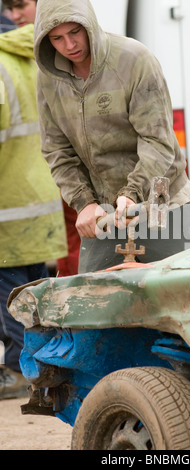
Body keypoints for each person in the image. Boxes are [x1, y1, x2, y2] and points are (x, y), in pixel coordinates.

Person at [33, 0, 190, 273]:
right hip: (103, 212)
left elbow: (157, 141)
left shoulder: (135, 59)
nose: (69, 45)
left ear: (88, 22)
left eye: (75, 32)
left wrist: (133, 193)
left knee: (184, 293)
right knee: (93, 304)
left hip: (163, 201)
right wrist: (84, 203)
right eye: (57, 38)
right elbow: (57, 151)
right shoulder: (48, 78)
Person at [0, 23, 67, 399]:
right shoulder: (35, 57)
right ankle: (31, 366)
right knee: (33, 293)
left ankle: (36, 373)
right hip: (38, 198)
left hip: (6, 204)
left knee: (13, 301)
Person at [3, 0, 81, 277]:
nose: (14, 15)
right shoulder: (74, 48)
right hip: (59, 175)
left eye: (21, 5)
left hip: (49, 177)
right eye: (8, 8)